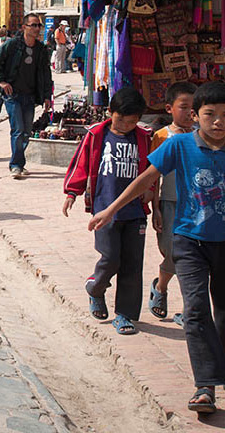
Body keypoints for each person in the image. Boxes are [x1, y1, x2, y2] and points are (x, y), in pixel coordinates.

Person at [90, 81, 225, 416]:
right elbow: (146, 178)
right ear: (195, 116)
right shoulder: (179, 146)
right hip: (187, 241)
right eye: (210, 114)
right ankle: (204, 386)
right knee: (196, 310)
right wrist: (110, 209)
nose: (218, 121)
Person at [63, 87, 153, 336]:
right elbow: (80, 164)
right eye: (121, 119)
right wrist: (72, 192)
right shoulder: (96, 135)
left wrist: (151, 190)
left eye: (132, 121)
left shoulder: (144, 137)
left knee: (133, 265)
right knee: (111, 258)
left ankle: (125, 314)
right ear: (110, 112)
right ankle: (96, 287)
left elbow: (152, 169)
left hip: (135, 211)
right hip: (104, 209)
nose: (125, 125)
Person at [148, 82, 196, 325]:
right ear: (170, 108)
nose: (190, 113)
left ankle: (191, 310)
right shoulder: (162, 136)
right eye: (184, 107)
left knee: (192, 256)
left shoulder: (202, 135)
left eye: (194, 108)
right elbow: (153, 177)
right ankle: (161, 287)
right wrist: (155, 208)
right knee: (170, 251)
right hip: (169, 202)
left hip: (195, 205)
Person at [0, 13, 52, 179]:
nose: (37, 28)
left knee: (26, 131)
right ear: (24, 27)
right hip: (13, 95)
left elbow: (46, 74)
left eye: (39, 25)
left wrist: (47, 96)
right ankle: (16, 165)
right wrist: (1, 82)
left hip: (30, 96)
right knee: (17, 130)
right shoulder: (12, 45)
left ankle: (19, 161)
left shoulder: (40, 49)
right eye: (33, 25)